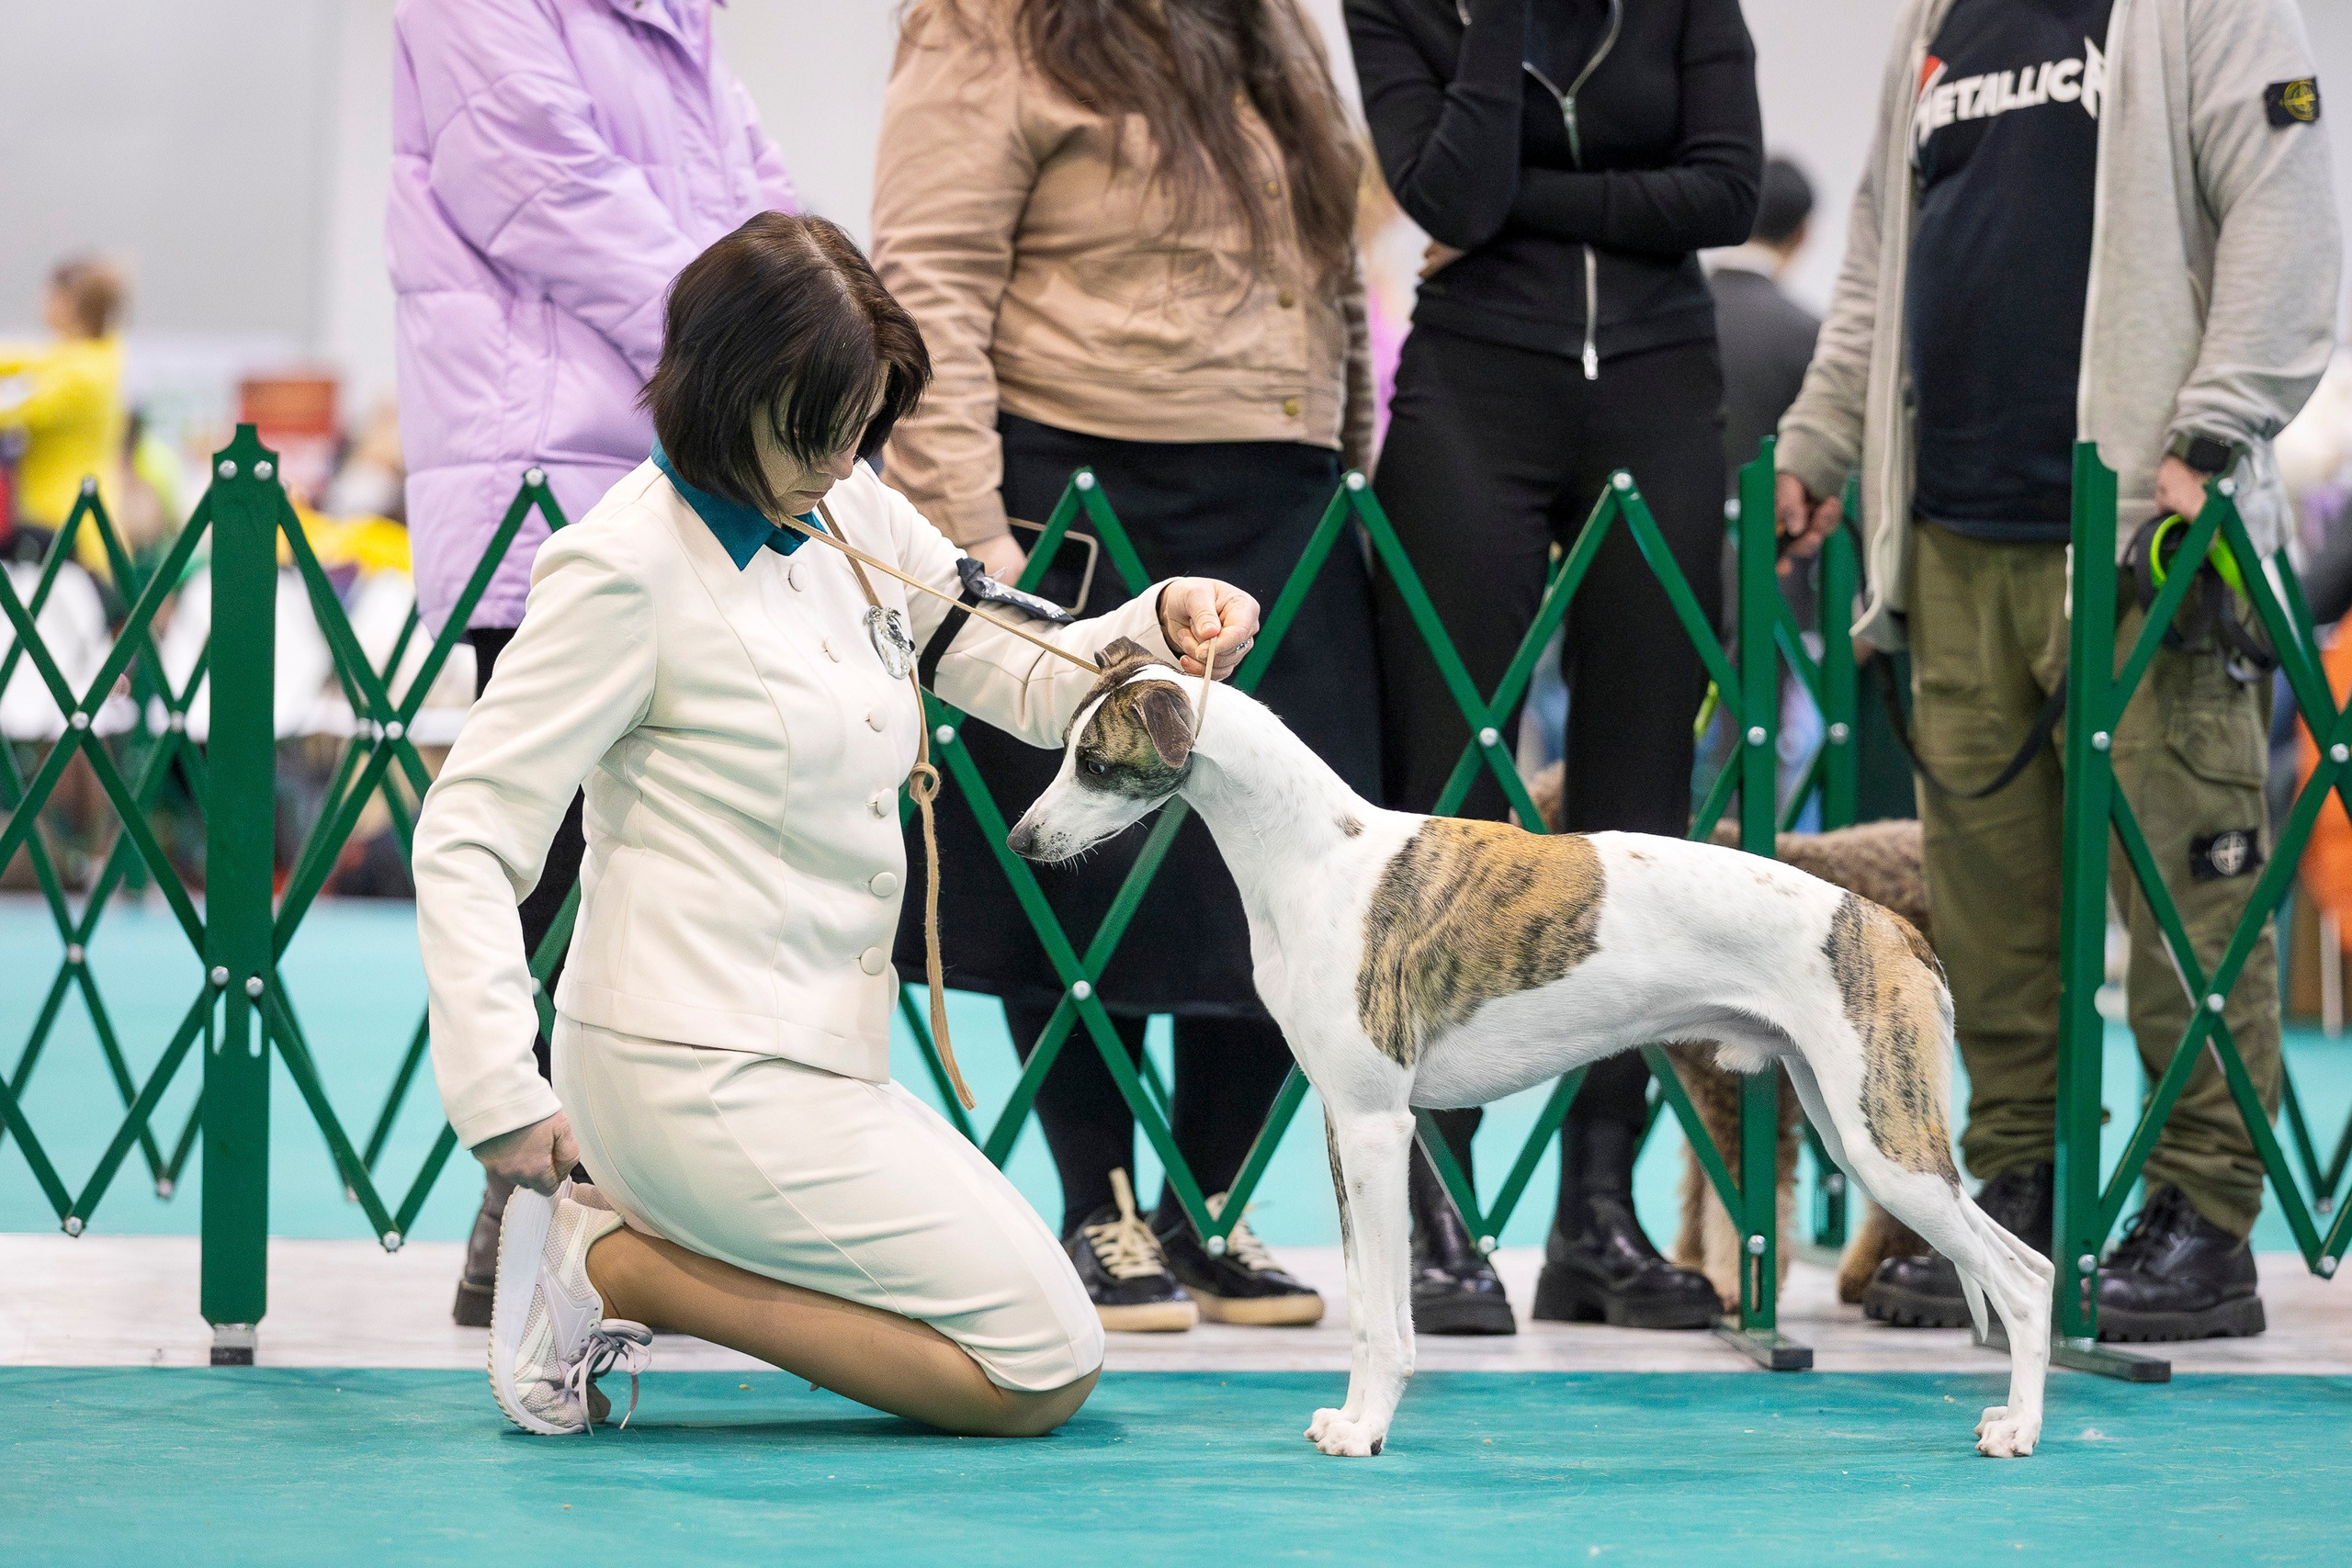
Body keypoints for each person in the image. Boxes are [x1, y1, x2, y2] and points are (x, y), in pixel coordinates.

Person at [413, 212, 1264, 1437]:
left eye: (862, 422)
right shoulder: (618, 570)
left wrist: (1156, 620)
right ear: (724, 391)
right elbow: (470, 830)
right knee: (1040, 1365)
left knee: (1045, 1345)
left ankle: (633, 1256)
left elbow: (1018, 670)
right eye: (817, 425)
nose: (846, 454)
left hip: (824, 1060)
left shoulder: (852, 512)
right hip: (682, 1072)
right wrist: (500, 1091)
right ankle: (614, 1264)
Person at [1775, 0, 2337, 1340]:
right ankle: (2018, 1187)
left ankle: (2204, 1213)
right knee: (1991, 918)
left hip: (2148, 537)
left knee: (2187, 895)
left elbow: (2286, 213)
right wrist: (1815, 445)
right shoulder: (1939, 20)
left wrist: (2213, 428)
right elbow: (1874, 266)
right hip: (1954, 542)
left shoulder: (2207, 8)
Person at [870, 0, 1379, 1332]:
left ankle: (1208, 1207)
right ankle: (1097, 1201)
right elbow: (928, 279)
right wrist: (978, 550)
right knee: (1076, 874)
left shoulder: (1277, 31)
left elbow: (1335, 279)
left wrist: (1355, 466)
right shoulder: (989, 24)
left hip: (1286, 495)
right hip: (1078, 491)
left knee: (1277, 869)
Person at [1345, 0, 1760, 1335]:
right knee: (1446, 795)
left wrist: (1532, 201)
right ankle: (1434, 1199)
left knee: (1640, 806)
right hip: (1474, 377)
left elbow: (1730, 188)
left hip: (1659, 375)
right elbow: (1446, 190)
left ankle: (1599, 1206)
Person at [387, 0, 800, 1325]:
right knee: (545, 855)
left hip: (695, 474)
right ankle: (527, 1198)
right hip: (553, 477)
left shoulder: (683, 27)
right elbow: (548, 193)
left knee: (691, 862)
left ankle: (664, 1209)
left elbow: (763, 229)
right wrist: (764, 365)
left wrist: (810, 336)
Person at [0, 257, 128, 568]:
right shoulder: (91, 355)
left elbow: (13, 410)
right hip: (59, 520)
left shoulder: (82, 373)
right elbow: (22, 358)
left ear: (69, 304)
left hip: (71, 527)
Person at [1711, 156, 1819, 498]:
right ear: (1803, 234)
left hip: (1659, 535)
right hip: (1765, 540)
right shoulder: (1809, 334)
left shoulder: (1670, 318)